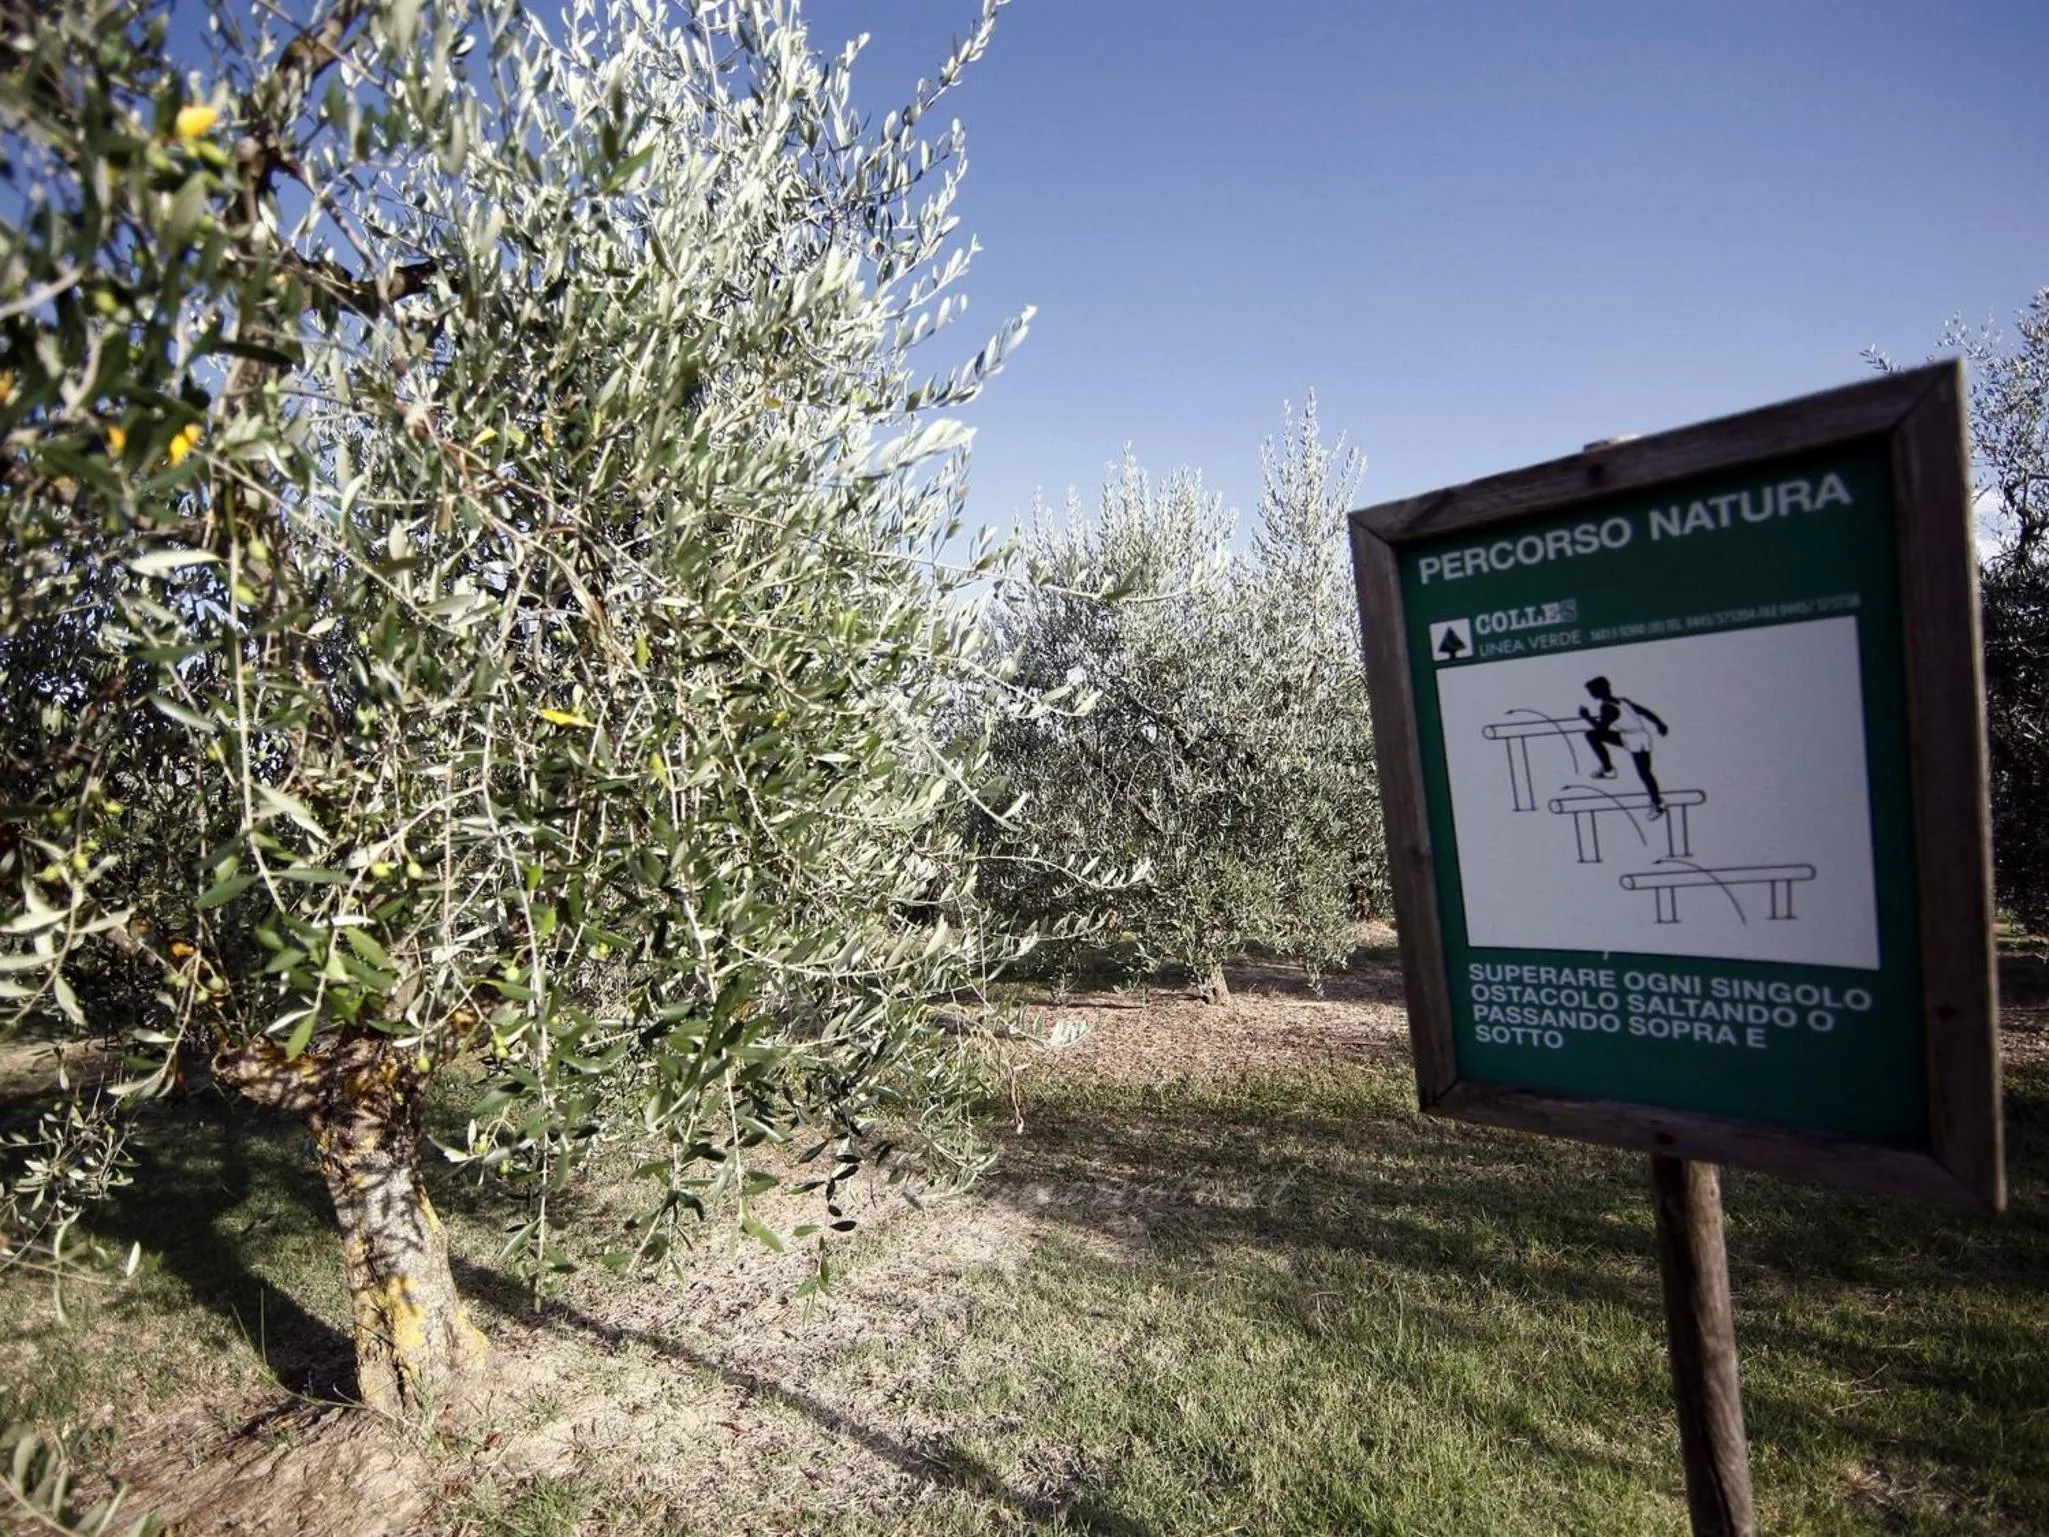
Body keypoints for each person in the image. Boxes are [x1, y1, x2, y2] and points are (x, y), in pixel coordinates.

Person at [1579, 676, 1669, 818]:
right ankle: (1607, 768)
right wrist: (1659, 724)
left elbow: (1602, 729)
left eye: (1591, 691)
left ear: (1598, 691)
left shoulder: (1607, 707)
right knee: (1591, 735)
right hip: (1633, 736)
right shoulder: (1622, 701)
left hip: (1634, 739)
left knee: (1644, 773)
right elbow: (1645, 712)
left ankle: (1656, 803)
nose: (1590, 694)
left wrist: (1587, 717)